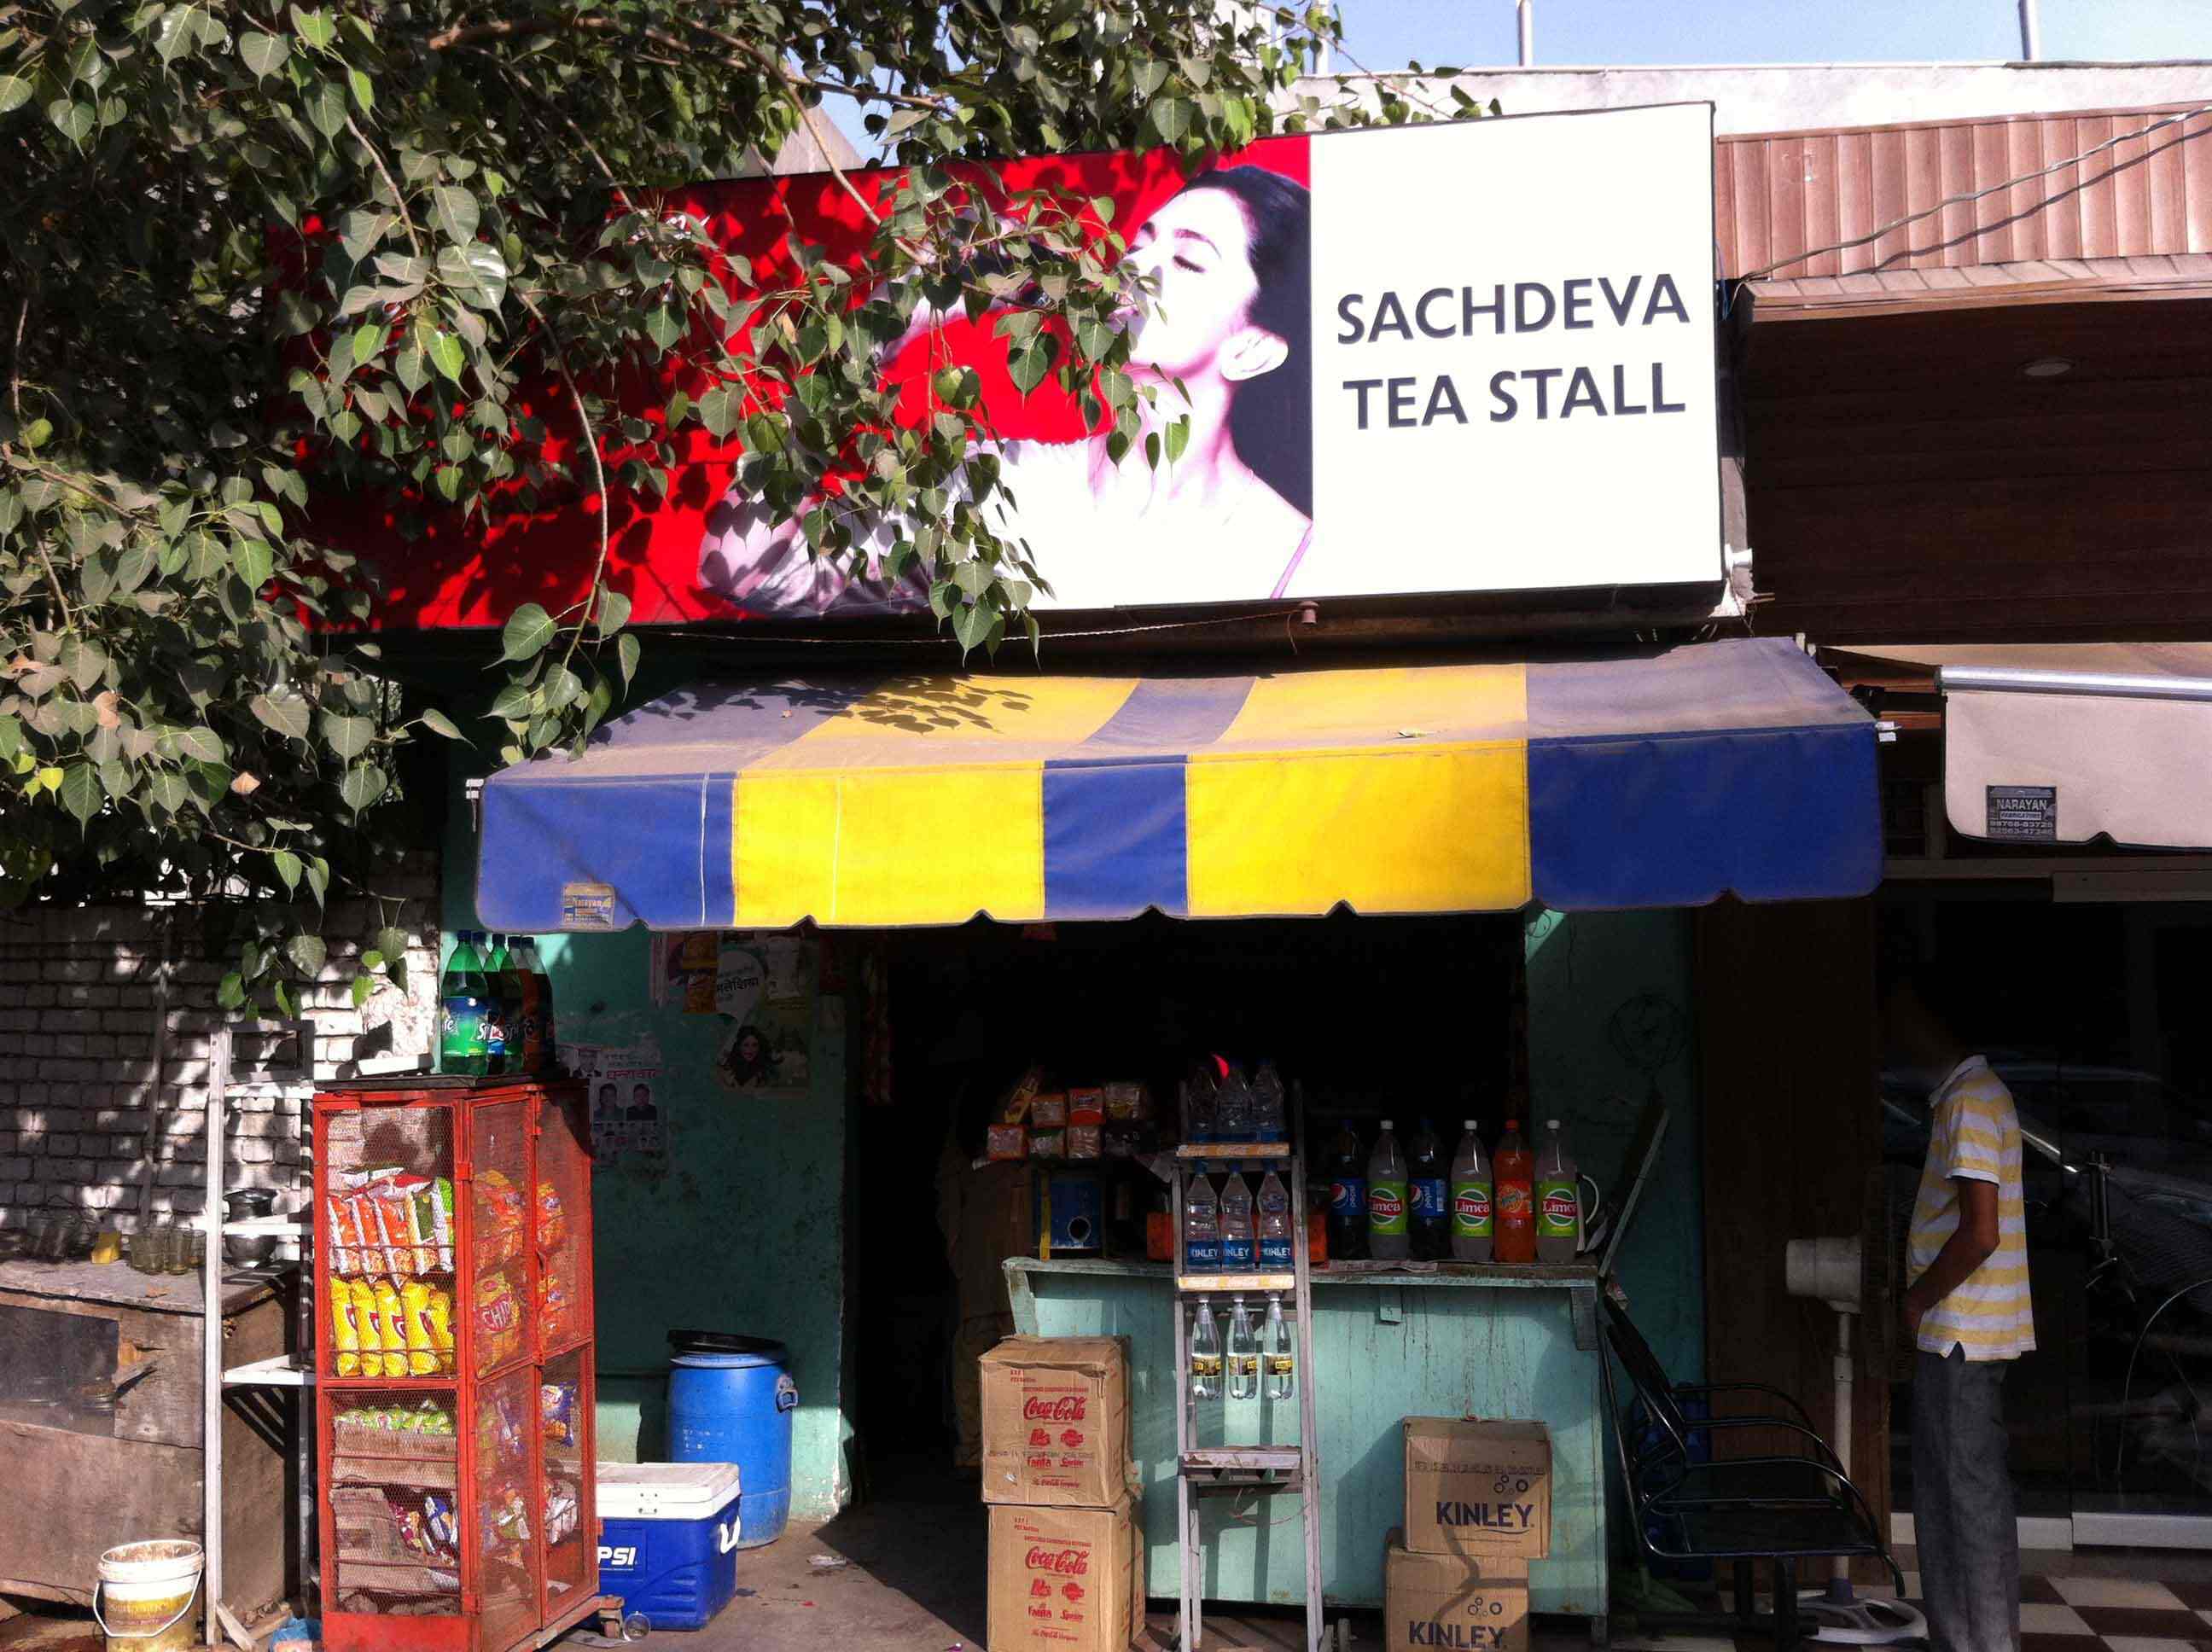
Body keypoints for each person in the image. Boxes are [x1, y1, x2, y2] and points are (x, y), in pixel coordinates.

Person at [698, 164, 1313, 615]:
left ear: (1252, 347)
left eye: (1188, 263)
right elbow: (746, 568)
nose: (1134, 271)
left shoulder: (1299, 553)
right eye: (1140, 244)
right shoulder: (1000, 487)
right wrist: (874, 338)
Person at [1885, 967, 2034, 1652]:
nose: (1896, 1034)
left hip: (1961, 1333)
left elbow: (1980, 1230)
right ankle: (1978, 1635)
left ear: (1929, 1022)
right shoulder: (1970, 1096)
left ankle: (1981, 1641)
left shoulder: (1971, 1101)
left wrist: (1917, 1297)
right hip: (1969, 1332)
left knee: (1960, 1500)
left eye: (1903, 1018)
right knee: (1967, 1493)